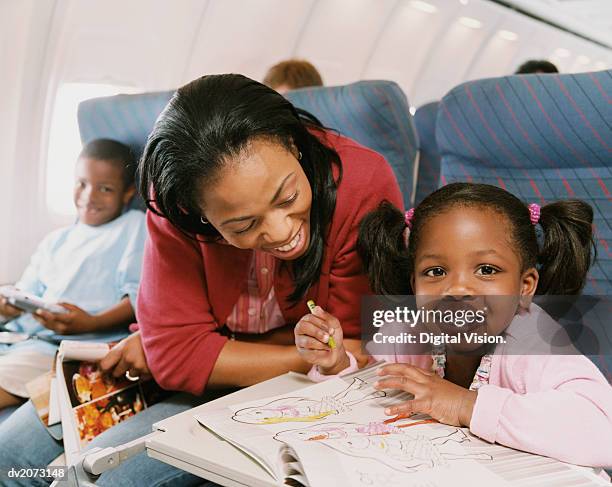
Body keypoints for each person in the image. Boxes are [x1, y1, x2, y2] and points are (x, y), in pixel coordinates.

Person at [0, 73, 402, 486]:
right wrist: (178, 348)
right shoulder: (174, 201)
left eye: (287, 197)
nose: (281, 232)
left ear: (293, 145)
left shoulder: (360, 182)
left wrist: (198, 348)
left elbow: (357, 347)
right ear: (198, 214)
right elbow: (175, 353)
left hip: (300, 390)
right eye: (242, 224)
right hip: (198, 378)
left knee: (99, 483)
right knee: (7, 456)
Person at [296, 182, 612, 471]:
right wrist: (335, 365)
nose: (458, 288)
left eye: (487, 269)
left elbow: (602, 430)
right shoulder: (408, 331)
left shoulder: (534, 342)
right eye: (435, 271)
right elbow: (371, 390)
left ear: (525, 286)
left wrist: (465, 404)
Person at [0, 139, 147, 410]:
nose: (89, 196)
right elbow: (26, 292)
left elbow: (137, 298)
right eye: (81, 183)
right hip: (23, 339)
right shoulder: (56, 240)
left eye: (105, 189)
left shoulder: (134, 227)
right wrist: (9, 306)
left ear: (127, 193)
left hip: (62, 348)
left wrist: (90, 323)